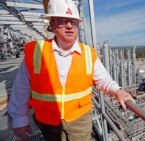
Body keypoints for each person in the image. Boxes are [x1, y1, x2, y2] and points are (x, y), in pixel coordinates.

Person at [7, 0, 135, 141]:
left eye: (73, 22)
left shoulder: (88, 53)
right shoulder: (37, 52)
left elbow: (104, 79)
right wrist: (19, 118)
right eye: (62, 20)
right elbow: (21, 88)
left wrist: (118, 90)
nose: (69, 26)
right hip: (48, 121)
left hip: (79, 120)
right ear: (52, 24)